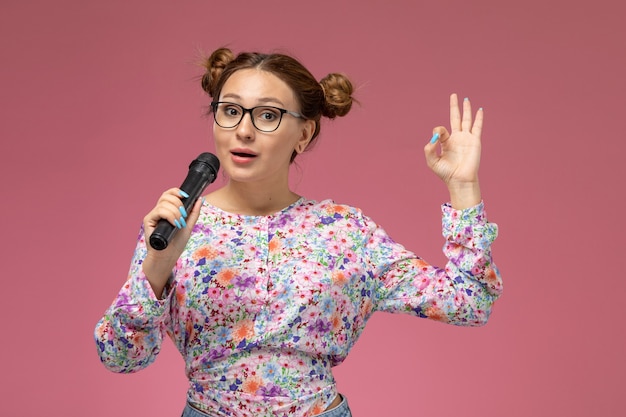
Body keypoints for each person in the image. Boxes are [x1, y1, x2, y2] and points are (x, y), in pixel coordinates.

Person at [94, 47, 503, 417]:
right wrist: (159, 260)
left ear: (303, 134)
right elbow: (120, 356)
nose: (244, 130)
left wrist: (463, 187)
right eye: (231, 110)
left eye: (268, 115)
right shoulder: (175, 223)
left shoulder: (344, 230)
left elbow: (469, 303)